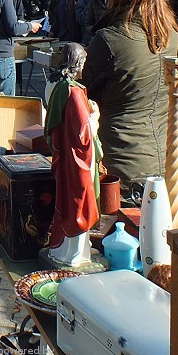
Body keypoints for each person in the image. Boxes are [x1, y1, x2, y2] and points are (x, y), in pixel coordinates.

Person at [82, 0, 178, 193]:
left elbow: (82, 97)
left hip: (119, 164)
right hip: (163, 158)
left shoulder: (110, 40)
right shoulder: (172, 35)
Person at [44, 42, 101, 268]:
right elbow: (83, 134)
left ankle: (69, 249)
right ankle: (73, 254)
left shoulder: (59, 87)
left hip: (67, 157)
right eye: (83, 62)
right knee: (79, 204)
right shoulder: (74, 92)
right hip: (79, 162)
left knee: (68, 201)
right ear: (77, 63)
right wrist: (95, 115)